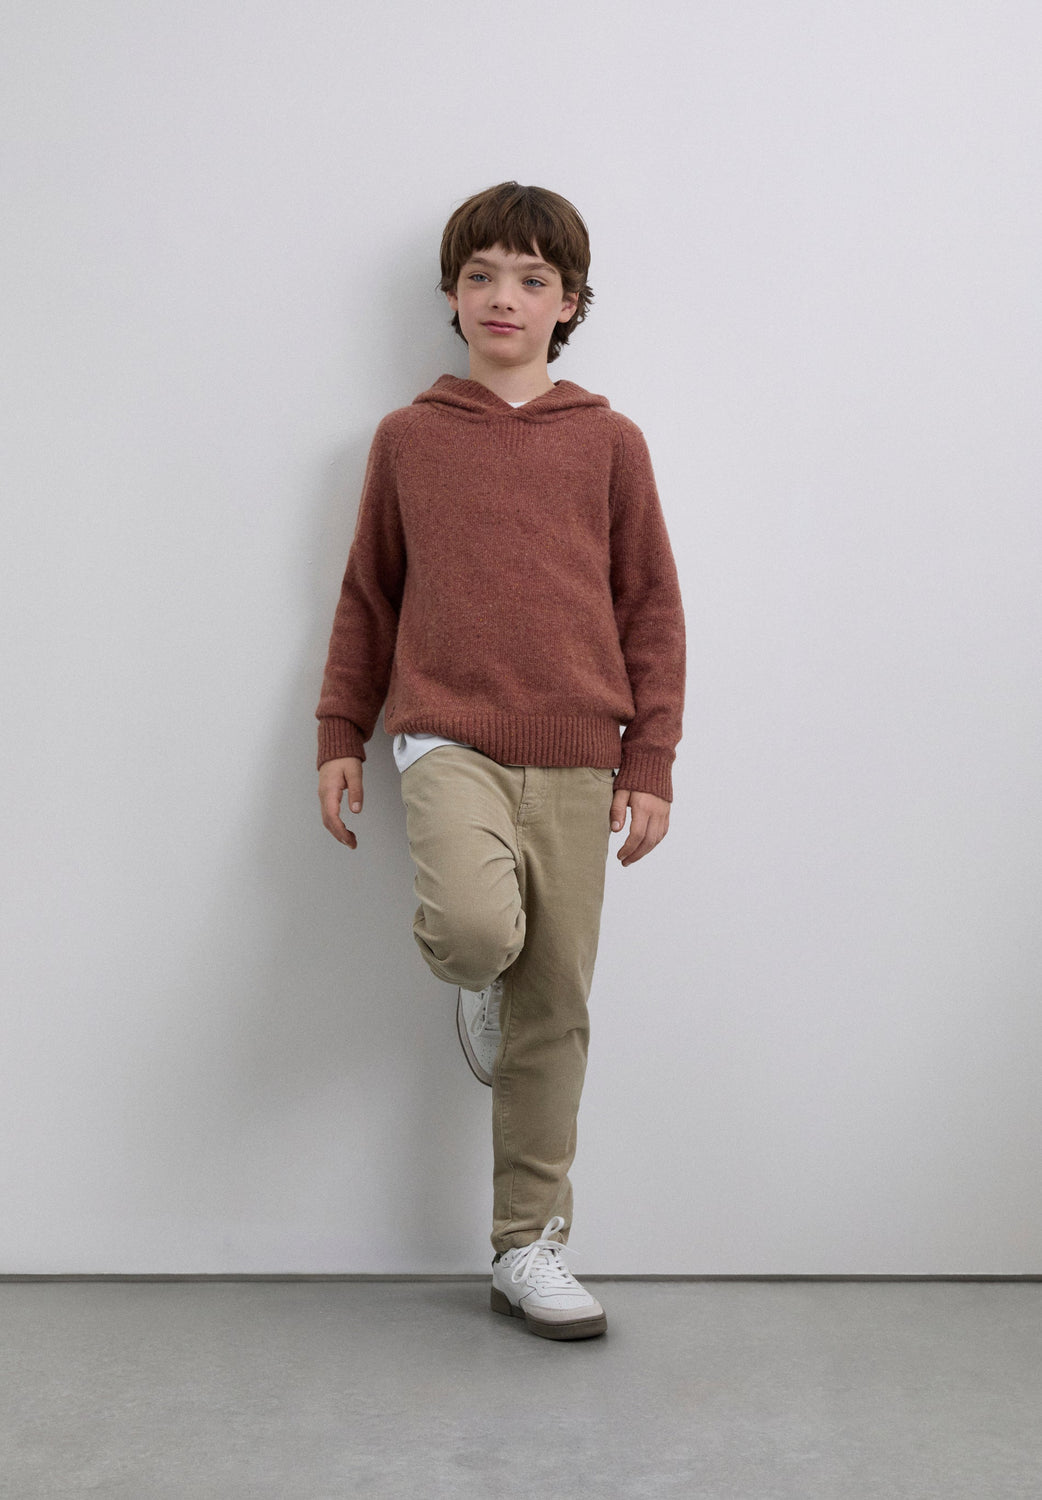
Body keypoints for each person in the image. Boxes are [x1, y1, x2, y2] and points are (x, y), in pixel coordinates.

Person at [315, 181, 685, 1340]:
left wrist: (651, 761)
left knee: (555, 1009)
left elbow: (650, 610)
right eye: (481, 275)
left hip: (579, 755)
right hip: (446, 735)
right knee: (480, 933)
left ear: (569, 302)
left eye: (532, 278)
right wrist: (338, 731)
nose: (503, 297)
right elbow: (368, 598)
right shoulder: (409, 439)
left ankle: (528, 1246)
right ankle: (478, 972)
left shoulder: (610, 445)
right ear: (451, 293)